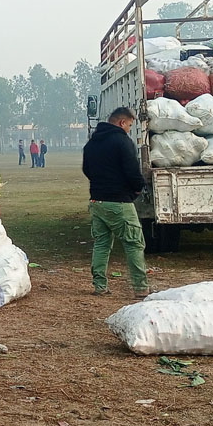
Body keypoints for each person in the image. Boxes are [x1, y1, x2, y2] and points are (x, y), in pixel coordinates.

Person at [82, 107, 150, 299]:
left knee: (102, 243)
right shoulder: (122, 141)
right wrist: (138, 187)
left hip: (96, 201)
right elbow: (132, 170)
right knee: (134, 243)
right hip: (119, 202)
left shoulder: (91, 144)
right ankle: (140, 287)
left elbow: (87, 170)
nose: (129, 129)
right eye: (129, 125)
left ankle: (99, 285)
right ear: (122, 123)